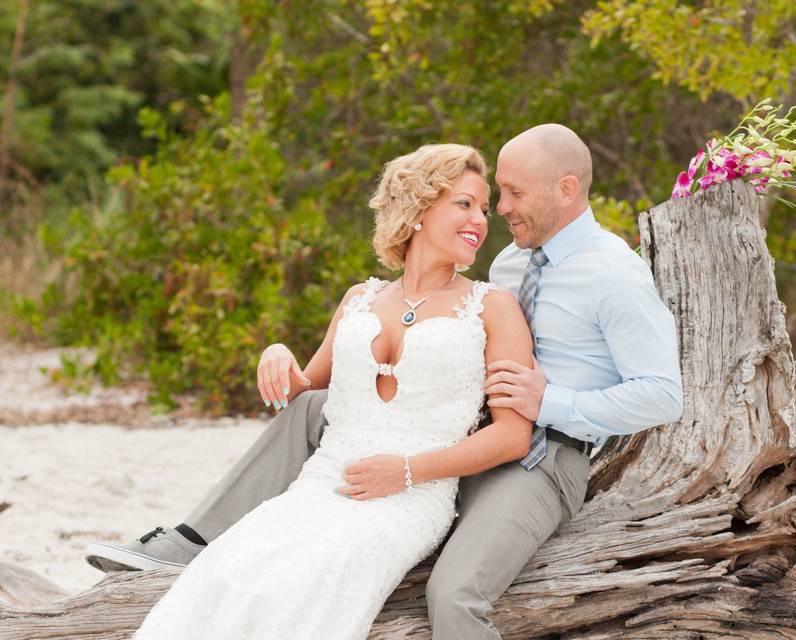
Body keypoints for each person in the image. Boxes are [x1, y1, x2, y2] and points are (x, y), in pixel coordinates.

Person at [87, 124, 684, 639]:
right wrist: (277, 352)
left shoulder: (614, 275)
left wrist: (548, 400)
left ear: (566, 189)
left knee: (452, 594)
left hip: (538, 453)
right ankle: (192, 538)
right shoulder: (510, 265)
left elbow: (664, 394)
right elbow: (383, 371)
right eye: (484, 198)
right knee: (313, 406)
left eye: (509, 194)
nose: (497, 210)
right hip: (453, 426)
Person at [130, 143, 536, 639]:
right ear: (418, 208)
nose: (481, 218)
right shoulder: (360, 299)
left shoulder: (492, 307)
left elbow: (513, 436)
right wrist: (276, 352)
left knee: (310, 583)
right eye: (464, 203)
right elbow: (305, 385)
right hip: (319, 486)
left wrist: (408, 471)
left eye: (484, 207)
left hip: (410, 499)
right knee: (227, 572)